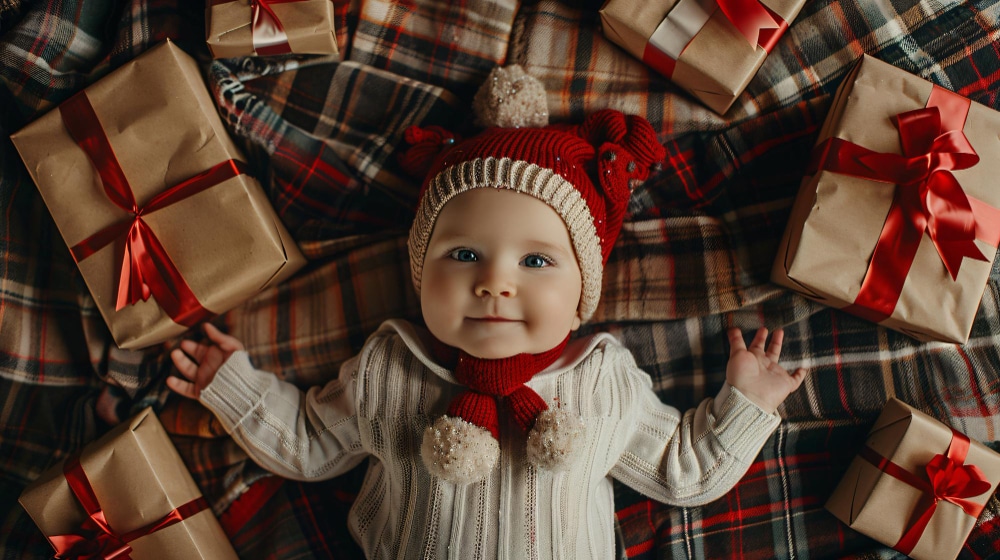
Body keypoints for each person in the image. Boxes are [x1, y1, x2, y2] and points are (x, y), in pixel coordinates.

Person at [167, 67, 807, 559]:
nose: (496, 283)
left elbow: (682, 468)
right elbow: (309, 443)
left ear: (582, 296)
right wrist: (234, 386)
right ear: (420, 275)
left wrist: (745, 403)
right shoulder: (387, 370)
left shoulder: (603, 382)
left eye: (536, 262)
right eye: (465, 254)